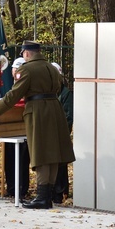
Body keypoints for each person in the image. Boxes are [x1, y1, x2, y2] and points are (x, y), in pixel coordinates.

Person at [0, 41, 75, 209]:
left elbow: (15, 93)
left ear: (27, 53)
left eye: (23, 54)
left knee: (42, 152)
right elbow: (58, 87)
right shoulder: (51, 68)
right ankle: (48, 194)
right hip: (54, 110)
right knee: (53, 154)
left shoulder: (26, 69)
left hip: (38, 112)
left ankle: (42, 197)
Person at [4, 57, 30, 199]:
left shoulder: (28, 83)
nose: (16, 71)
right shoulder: (7, 84)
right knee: (9, 160)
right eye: (15, 68)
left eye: (20, 68)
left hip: (23, 129)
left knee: (22, 160)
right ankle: (11, 187)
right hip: (7, 129)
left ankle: (22, 188)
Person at [51, 62, 72, 204]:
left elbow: (69, 116)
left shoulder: (66, 94)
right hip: (51, 134)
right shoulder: (50, 93)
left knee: (61, 164)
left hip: (61, 134)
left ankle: (62, 191)